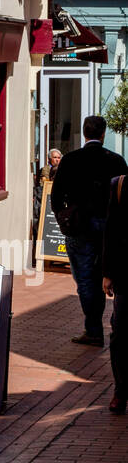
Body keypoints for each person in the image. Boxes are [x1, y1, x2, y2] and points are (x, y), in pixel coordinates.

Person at [51, 116, 128, 346]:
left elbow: (56, 197)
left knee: (85, 278)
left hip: (80, 226)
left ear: (84, 133)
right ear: (103, 134)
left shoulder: (71, 160)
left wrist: (63, 218)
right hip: (108, 225)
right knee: (108, 275)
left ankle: (93, 328)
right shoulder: (116, 161)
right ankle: (109, 322)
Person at [102, 173, 128, 413]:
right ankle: (121, 390)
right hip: (125, 275)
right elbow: (111, 231)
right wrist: (108, 273)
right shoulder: (120, 185)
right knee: (120, 334)